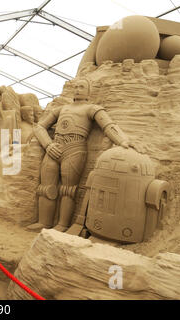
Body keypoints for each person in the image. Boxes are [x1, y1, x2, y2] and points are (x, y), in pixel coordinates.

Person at [30, 78, 137, 232]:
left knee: (68, 189)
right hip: (54, 147)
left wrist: (123, 141)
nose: (77, 89)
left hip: (75, 149)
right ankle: (44, 222)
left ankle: (62, 224)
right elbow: (39, 126)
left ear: (88, 92)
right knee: (46, 187)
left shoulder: (92, 108)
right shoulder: (62, 108)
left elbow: (108, 126)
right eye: (75, 86)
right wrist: (48, 144)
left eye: (81, 86)